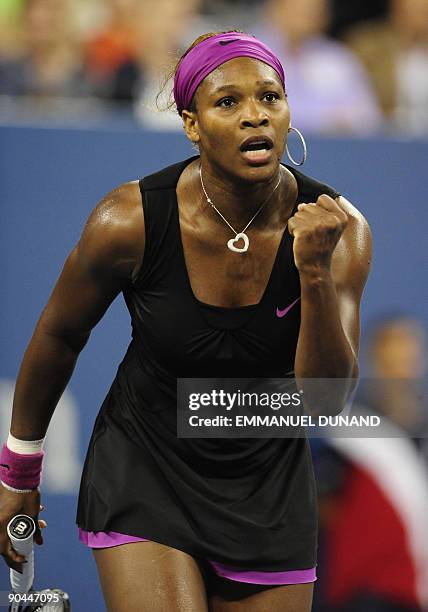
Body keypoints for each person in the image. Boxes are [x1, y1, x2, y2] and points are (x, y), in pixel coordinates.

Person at [0, 31, 371, 611]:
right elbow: (59, 335)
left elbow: (323, 402)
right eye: (228, 103)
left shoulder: (338, 231)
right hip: (145, 467)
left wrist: (315, 274)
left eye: (270, 98)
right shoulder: (127, 220)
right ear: (191, 123)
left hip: (268, 487)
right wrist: (18, 473)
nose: (255, 117)